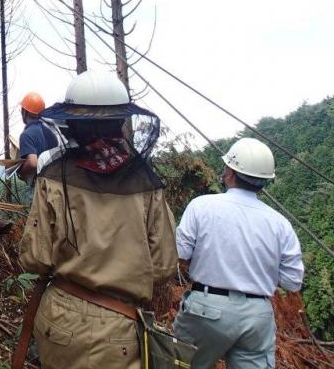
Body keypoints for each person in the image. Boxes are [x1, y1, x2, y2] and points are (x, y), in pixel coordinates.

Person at [19, 71, 177, 369]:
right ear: (120, 122)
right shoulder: (147, 185)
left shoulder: (53, 177)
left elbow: (34, 258)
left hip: (61, 316)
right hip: (121, 325)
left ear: (72, 125)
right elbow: (164, 265)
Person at [173, 137, 304, 369]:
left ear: (230, 173)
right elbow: (292, 282)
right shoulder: (280, 223)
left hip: (206, 307)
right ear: (265, 181)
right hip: (257, 315)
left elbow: (180, 253)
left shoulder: (202, 206)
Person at [17, 91, 56, 186]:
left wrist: (21, 171)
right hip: (55, 183)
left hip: (39, 184)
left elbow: (32, 163)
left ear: (24, 112)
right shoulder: (51, 132)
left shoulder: (26, 135)